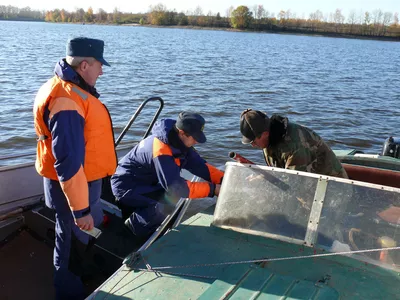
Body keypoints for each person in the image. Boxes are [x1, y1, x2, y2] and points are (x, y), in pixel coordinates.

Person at [33, 37, 117, 299]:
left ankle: (79, 275)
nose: (102, 70)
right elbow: (68, 163)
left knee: (77, 242)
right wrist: (80, 211)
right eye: (98, 65)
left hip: (83, 185)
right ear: (83, 66)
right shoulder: (67, 100)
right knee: (69, 246)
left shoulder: (70, 88)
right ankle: (68, 292)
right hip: (72, 190)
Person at [111, 112, 224, 239]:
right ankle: (134, 227)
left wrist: (224, 179)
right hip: (126, 187)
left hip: (146, 182)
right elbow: (177, 188)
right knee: (168, 203)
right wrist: (213, 189)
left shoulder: (179, 142)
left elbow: (199, 166)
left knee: (172, 200)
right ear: (181, 132)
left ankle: (147, 217)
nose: (197, 141)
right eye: (194, 137)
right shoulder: (161, 150)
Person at [239, 108, 348, 178]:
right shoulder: (269, 139)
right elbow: (280, 174)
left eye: (253, 141)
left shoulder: (295, 146)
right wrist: (263, 177)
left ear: (265, 134)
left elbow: (294, 183)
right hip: (308, 182)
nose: (252, 145)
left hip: (333, 188)